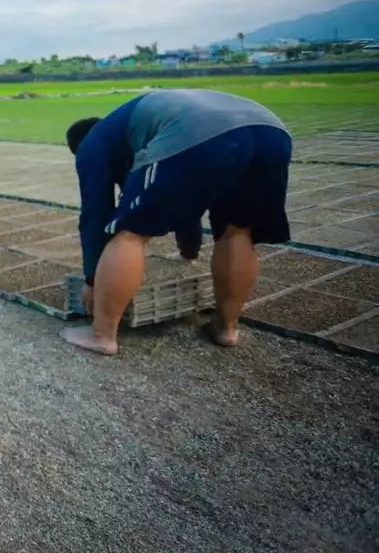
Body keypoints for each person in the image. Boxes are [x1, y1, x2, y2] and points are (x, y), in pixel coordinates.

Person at [61, 88, 293, 356]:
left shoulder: (92, 143)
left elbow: (96, 213)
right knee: (238, 231)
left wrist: (92, 280)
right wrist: (189, 252)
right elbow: (187, 198)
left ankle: (101, 334)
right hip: (271, 131)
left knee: (130, 233)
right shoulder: (139, 127)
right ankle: (226, 328)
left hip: (199, 129)